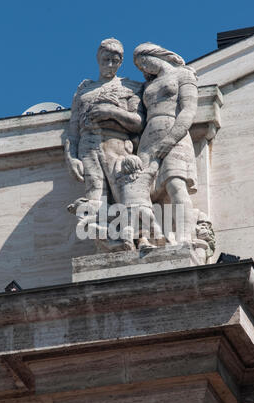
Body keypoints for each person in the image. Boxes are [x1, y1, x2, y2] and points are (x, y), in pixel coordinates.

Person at [65, 38, 145, 249]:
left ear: (121, 62)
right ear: (98, 59)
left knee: (122, 195)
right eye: (106, 60)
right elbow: (73, 130)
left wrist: (112, 112)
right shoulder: (83, 90)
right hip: (87, 146)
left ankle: (134, 239)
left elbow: (138, 122)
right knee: (95, 196)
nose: (110, 65)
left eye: (114, 61)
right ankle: (109, 244)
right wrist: (71, 158)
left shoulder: (130, 87)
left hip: (116, 144)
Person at [133, 42, 198, 243]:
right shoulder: (146, 86)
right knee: (144, 189)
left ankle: (185, 238)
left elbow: (188, 110)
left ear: (157, 55)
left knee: (176, 185)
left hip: (174, 132)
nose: (144, 67)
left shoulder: (184, 74)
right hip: (148, 137)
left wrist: (170, 139)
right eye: (140, 65)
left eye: (144, 60)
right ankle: (153, 237)